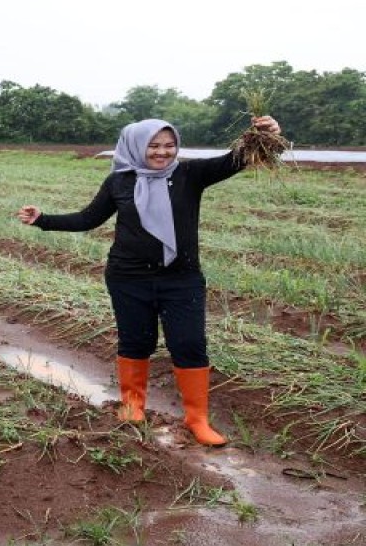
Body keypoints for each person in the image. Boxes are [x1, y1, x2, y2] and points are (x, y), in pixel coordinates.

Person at [16, 115, 283, 447]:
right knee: (136, 342)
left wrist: (266, 135)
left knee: (189, 345)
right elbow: (88, 218)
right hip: (128, 278)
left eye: (169, 145)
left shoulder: (190, 175)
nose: (162, 153)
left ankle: (197, 419)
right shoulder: (119, 182)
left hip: (181, 279)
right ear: (136, 146)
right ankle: (132, 406)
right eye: (153, 146)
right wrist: (43, 220)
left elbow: (239, 159)